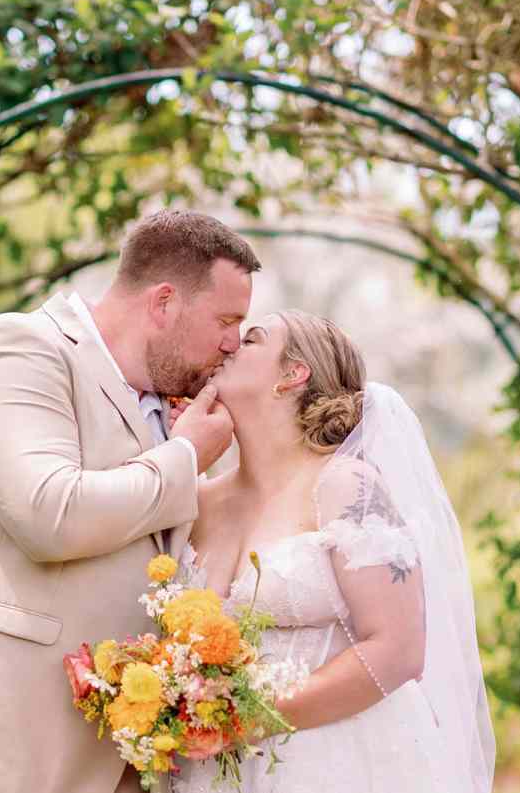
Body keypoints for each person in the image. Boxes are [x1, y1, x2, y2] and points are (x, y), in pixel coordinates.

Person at [0, 210, 259, 793]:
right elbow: (50, 513)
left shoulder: (171, 414)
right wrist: (183, 460)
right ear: (164, 303)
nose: (233, 343)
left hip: (102, 765)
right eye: (226, 320)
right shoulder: (19, 349)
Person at [170, 310, 495, 793]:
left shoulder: (346, 486)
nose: (229, 345)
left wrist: (244, 719)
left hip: (333, 764)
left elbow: (399, 649)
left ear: (292, 374)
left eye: (253, 339)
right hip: (208, 774)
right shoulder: (197, 498)